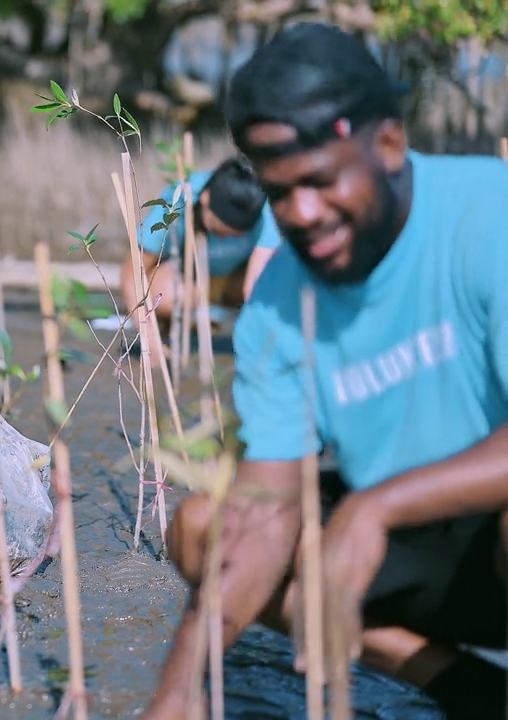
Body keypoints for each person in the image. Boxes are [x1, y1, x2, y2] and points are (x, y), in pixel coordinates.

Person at [143, 23, 508, 720]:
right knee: (204, 528)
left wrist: (376, 508)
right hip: (418, 552)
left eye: (321, 181)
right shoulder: (280, 302)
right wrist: (175, 694)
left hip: (487, 533)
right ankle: (467, 689)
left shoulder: (490, 216)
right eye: (282, 195)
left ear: (390, 145)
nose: (303, 214)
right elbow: (267, 510)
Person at [120, 156, 282, 326]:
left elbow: (257, 281)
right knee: (170, 296)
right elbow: (132, 274)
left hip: (234, 282)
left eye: (234, 236)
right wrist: (149, 341)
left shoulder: (266, 210)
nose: (223, 239)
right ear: (205, 198)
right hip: (186, 282)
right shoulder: (177, 202)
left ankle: (215, 309)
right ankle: (181, 320)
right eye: (218, 231)